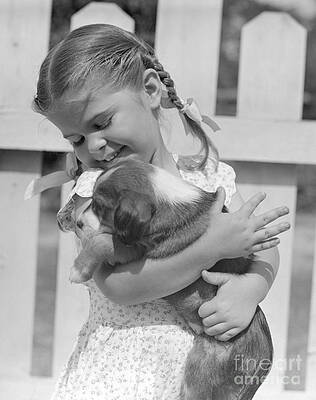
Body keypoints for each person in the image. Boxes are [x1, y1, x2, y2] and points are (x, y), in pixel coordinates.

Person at [33, 24, 290, 400]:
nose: (94, 145)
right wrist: (209, 248)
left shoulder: (209, 177)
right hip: (125, 368)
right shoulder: (98, 193)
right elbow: (117, 285)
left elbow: (260, 243)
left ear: (151, 91)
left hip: (200, 367)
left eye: (101, 123)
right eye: (76, 139)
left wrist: (251, 289)